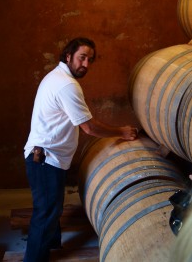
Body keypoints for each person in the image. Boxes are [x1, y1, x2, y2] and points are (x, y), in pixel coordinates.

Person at [23, 37, 138, 262]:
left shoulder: (57, 76)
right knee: (45, 213)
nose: (86, 64)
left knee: (51, 207)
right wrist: (122, 132)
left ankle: (52, 242)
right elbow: (89, 127)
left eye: (90, 60)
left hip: (46, 155)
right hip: (45, 157)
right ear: (68, 56)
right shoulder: (67, 84)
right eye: (82, 57)